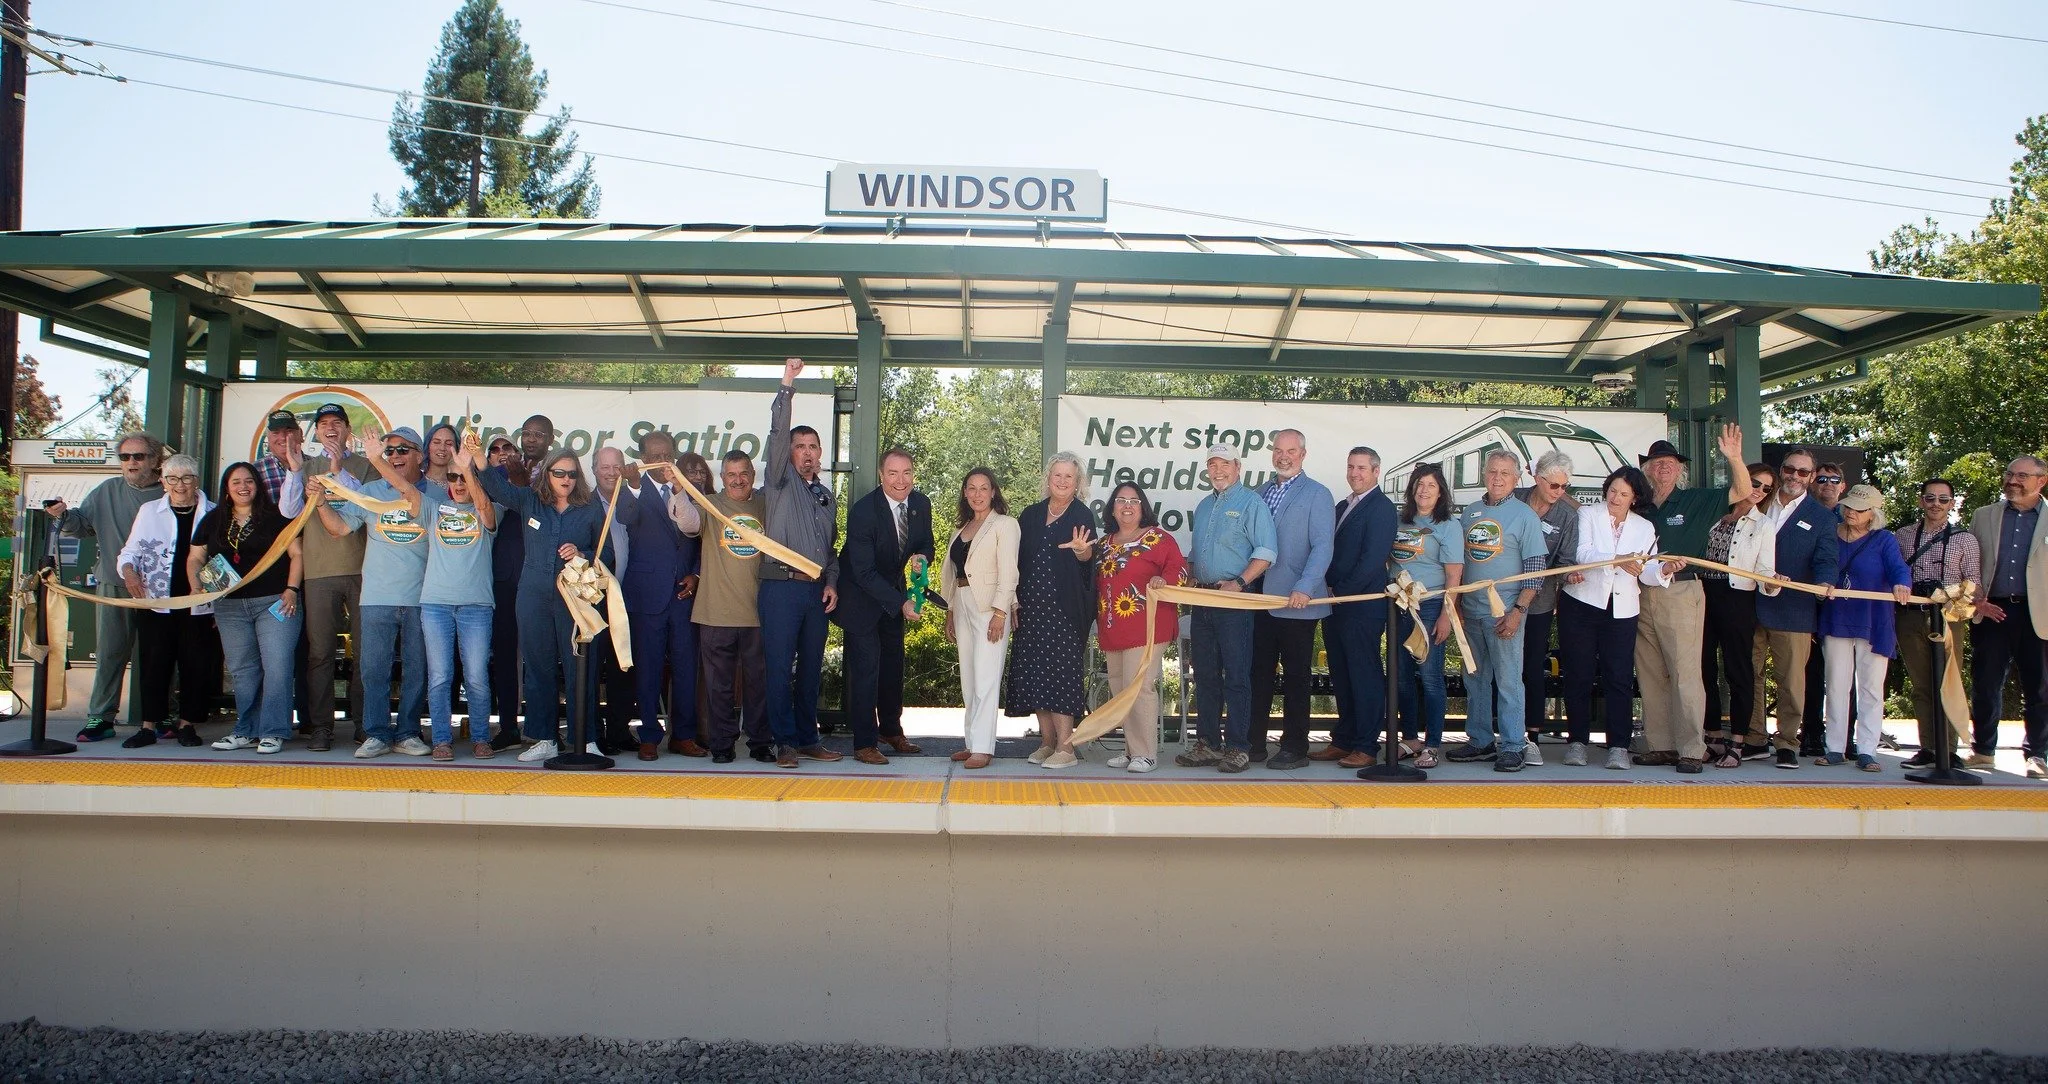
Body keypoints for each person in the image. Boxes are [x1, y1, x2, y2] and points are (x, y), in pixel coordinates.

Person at [310, 426, 439, 760]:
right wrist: (322, 503)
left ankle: (408, 732)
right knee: (373, 670)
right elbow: (339, 528)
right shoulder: (369, 491)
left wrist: (374, 459)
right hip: (377, 597)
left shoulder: (437, 494)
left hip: (423, 598)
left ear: (419, 456)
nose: (394, 456)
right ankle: (377, 733)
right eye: (389, 451)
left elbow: (411, 499)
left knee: (417, 670)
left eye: (402, 450)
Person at [475, 443, 608, 763]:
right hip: (532, 595)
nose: (566, 479)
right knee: (538, 668)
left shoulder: (590, 509)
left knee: (580, 667)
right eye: (559, 472)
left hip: (574, 599)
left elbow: (606, 556)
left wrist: (582, 555)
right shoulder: (530, 500)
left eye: (572, 474)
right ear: (547, 473)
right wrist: (479, 460)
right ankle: (545, 737)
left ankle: (585, 738)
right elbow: (497, 487)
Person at [1636, 426, 1753, 774]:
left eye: (1670, 462)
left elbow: (1744, 491)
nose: (1663, 467)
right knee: (1650, 673)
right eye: (1656, 463)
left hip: (1682, 590)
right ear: (1646, 469)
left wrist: (1734, 457)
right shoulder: (1637, 505)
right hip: (1639, 592)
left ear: (1680, 469)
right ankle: (1661, 746)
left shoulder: (1696, 500)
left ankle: (1691, 748)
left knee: (1686, 673)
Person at [760, 359, 852, 765]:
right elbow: (778, 435)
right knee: (779, 667)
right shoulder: (780, 483)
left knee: (811, 669)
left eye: (813, 447)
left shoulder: (827, 497)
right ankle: (783, 742)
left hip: (814, 592)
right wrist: (787, 384)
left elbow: (830, 551)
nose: (807, 453)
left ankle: (807, 737)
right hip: (780, 587)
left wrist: (831, 582)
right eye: (800, 447)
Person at [382, 444, 499, 760]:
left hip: (476, 607)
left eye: (464, 479)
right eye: (453, 478)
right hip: (435, 607)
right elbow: (403, 486)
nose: (459, 484)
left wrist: (468, 471)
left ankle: (479, 738)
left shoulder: (488, 508)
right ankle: (442, 741)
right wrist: (375, 459)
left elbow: (485, 508)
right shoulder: (433, 508)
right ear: (445, 481)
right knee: (440, 677)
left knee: (475, 676)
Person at [50, 431, 165, 743]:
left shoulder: (170, 491)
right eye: (125, 456)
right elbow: (82, 526)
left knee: (161, 654)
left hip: (161, 589)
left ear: (155, 461)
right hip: (114, 585)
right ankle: (101, 717)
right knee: (110, 652)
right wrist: (63, 515)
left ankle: (161, 715)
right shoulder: (106, 490)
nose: (130, 462)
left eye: (138, 456)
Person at [190, 462, 304, 755]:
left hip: (276, 603)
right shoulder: (212, 520)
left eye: (249, 481)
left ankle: (273, 732)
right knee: (243, 670)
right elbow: (195, 558)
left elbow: (297, 554)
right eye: (236, 482)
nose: (244, 487)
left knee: (277, 668)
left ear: (258, 485)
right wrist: (195, 586)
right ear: (227, 489)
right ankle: (245, 730)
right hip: (229, 607)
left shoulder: (278, 517)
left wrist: (291, 590)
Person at [1175, 444, 1274, 774]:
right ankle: (1207, 744)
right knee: (1203, 675)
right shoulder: (1204, 506)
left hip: (1233, 601)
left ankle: (1237, 748)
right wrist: (1188, 576)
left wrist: (1241, 583)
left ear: (1238, 467)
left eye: (1224, 464)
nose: (1218, 470)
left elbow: (1266, 552)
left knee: (1236, 675)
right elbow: (1195, 553)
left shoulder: (1252, 502)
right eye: (1212, 465)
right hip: (1202, 601)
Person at [1445, 450, 1546, 772]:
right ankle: (1480, 741)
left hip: (1505, 612)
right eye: (1492, 472)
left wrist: (1518, 610)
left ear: (1517, 479)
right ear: (1484, 475)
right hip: (1471, 610)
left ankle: (1514, 745)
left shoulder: (1525, 515)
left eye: (1505, 473)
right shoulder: (1470, 513)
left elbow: (1535, 570)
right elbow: (1458, 564)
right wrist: (1457, 606)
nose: (1497, 478)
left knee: (1508, 681)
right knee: (1475, 678)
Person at [1559, 467, 1664, 770]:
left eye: (1624, 494)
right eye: (1613, 490)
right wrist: (1617, 561)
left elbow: (1648, 571)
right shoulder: (1589, 514)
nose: (1616, 497)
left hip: (1622, 610)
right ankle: (1577, 742)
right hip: (1581, 603)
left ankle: (1618, 745)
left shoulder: (1645, 527)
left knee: (1618, 677)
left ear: (1635, 498)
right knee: (1578, 673)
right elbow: (1583, 553)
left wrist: (1664, 571)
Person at [837, 447, 936, 766]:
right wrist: (902, 602)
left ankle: (891, 731)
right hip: (860, 599)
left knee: (894, 666)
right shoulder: (863, 511)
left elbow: (924, 543)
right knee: (867, 670)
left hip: (893, 596)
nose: (900, 480)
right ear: (881, 476)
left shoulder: (921, 504)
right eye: (893, 473)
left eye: (906, 472)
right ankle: (864, 743)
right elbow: (863, 572)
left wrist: (922, 558)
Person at [114, 454, 220, 749]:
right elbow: (129, 552)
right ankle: (149, 726)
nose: (180, 485)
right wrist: (129, 573)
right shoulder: (149, 511)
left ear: (196, 480)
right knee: (153, 664)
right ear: (163, 482)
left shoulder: (214, 513)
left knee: (195, 665)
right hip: (156, 601)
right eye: (172, 479)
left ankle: (188, 724)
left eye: (186, 478)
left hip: (199, 603)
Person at [1007, 451, 1102, 768]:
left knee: (1061, 676)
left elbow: (1089, 562)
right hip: (1031, 609)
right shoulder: (1030, 515)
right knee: (1036, 674)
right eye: (1057, 475)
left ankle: (1067, 747)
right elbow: (1015, 561)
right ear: (1048, 479)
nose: (1062, 481)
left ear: (1078, 484)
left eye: (1069, 477)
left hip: (1064, 611)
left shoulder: (1082, 516)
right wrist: (1012, 599)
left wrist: (1081, 553)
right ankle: (1047, 743)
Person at [1247, 429, 1335, 770]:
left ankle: (1295, 748)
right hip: (1259, 600)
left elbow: (1323, 546)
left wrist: (1305, 586)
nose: (1284, 456)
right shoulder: (1260, 493)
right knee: (1258, 673)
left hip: (1297, 600)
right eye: (1279, 450)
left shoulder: (1318, 494)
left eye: (1291, 450)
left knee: (1297, 676)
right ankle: (1253, 743)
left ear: (1303, 453)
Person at [613, 430, 702, 761]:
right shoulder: (632, 488)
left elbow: (698, 535)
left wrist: (696, 574)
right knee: (648, 669)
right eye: (652, 456)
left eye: (665, 454)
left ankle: (684, 735)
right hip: (646, 595)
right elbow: (625, 517)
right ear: (642, 457)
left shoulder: (687, 486)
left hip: (683, 594)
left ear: (674, 456)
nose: (658, 461)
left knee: (685, 668)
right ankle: (649, 735)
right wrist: (633, 485)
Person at [295, 403, 377, 751]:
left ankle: (363, 724)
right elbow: (290, 513)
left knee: (365, 653)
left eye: (338, 423)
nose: (330, 428)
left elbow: (370, 509)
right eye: (324, 423)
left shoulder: (368, 467)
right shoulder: (303, 469)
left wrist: (338, 470)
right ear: (316, 432)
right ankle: (321, 728)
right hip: (318, 571)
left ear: (348, 431)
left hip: (363, 571)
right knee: (320, 654)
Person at [1752, 447, 1838, 769]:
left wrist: (1826, 581)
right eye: (1790, 470)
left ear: (1811, 477)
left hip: (1795, 607)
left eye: (1803, 472)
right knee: (1751, 674)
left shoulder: (1822, 517)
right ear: (1781, 470)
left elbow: (1827, 559)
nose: (1795, 477)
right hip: (1752, 603)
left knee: (1790, 681)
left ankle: (1787, 741)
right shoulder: (1759, 504)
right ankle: (1754, 737)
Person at [690, 451, 778, 764]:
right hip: (715, 612)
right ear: (723, 477)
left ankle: (760, 743)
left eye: (743, 473)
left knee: (759, 685)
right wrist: (678, 489)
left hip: (759, 613)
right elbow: (688, 524)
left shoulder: (766, 504)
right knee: (719, 686)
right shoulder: (710, 503)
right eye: (731, 474)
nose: (738, 480)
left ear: (753, 475)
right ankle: (722, 744)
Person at [1091, 482, 1185, 774]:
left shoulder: (1159, 538)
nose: (1127, 506)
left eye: (1133, 501)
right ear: (1113, 508)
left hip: (1148, 626)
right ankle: (1131, 750)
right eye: (1121, 501)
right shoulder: (1105, 543)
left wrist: (1163, 581)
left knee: (1139, 688)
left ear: (1142, 507)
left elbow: (1179, 570)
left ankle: (1146, 754)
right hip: (1113, 626)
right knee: (1120, 690)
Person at [1817, 485, 1912, 771]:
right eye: (1848, 507)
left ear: (1874, 514)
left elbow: (1898, 568)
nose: (1852, 513)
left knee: (1870, 687)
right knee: (1835, 684)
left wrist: (1901, 584)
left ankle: (1867, 749)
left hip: (1873, 618)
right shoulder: (1830, 534)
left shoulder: (1884, 539)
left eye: (1860, 509)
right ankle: (1835, 747)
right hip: (1838, 615)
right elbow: (1820, 565)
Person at [1969, 456, 2048, 778]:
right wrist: (1976, 601)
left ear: (2041, 481)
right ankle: (1984, 751)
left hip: (2038, 613)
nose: (2013, 480)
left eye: (2022, 476)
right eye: (2010, 473)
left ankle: (2038, 755)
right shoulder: (1983, 515)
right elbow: (1971, 564)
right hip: (1992, 610)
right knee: (1985, 683)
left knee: (2040, 688)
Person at [1318, 446, 1397, 770]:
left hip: (1361, 605)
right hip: (1335, 604)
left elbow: (1372, 561)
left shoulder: (1382, 508)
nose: (1355, 473)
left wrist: (1341, 592)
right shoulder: (1341, 506)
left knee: (1364, 676)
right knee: (1342, 674)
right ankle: (1344, 740)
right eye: (1351, 467)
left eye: (1362, 468)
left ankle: (1366, 746)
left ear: (1376, 471)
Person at [1894, 478, 1979, 768]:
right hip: (1909, 615)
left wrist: (1944, 594)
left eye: (1943, 500)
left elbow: (1974, 584)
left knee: (1949, 682)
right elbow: (1893, 572)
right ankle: (1928, 747)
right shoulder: (1903, 535)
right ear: (1921, 501)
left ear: (1952, 504)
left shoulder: (1964, 538)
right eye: (1930, 498)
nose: (1936, 505)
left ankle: (1949, 750)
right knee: (1920, 683)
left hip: (1948, 615)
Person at [1701, 464, 1780, 768]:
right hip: (1703, 594)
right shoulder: (1714, 512)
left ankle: (1737, 742)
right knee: (1703, 668)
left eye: (1765, 488)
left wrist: (1772, 583)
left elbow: (1764, 572)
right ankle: (1713, 737)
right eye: (1755, 483)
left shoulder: (1763, 525)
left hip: (1738, 599)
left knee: (1738, 672)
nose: (1758, 490)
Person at [941, 468, 1020, 769]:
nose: (977, 494)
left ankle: (984, 748)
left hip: (989, 608)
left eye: (983, 488)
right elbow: (953, 575)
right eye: (971, 488)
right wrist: (950, 611)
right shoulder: (960, 529)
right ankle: (972, 742)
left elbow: (1009, 572)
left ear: (993, 492)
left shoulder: (1005, 524)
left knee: (986, 678)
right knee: (969, 678)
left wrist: (1001, 612)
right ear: (965, 493)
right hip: (961, 603)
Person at [1388, 463, 1462, 768]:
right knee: (1402, 678)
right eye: (1419, 484)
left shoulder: (1448, 526)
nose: (1424, 490)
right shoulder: (1398, 522)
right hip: (1399, 606)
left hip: (1430, 606)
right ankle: (1410, 739)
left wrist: (1447, 615)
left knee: (1430, 677)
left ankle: (1432, 744)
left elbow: (1454, 576)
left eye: (1431, 485)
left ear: (1441, 491)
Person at [1515, 450, 1580, 766]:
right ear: (1536, 478)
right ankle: (1492, 736)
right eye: (1554, 486)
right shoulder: (1511, 500)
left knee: (1531, 667)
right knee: (1496, 667)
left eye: (1564, 486)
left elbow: (1566, 561)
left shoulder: (1567, 514)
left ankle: (1532, 736)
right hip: (1497, 598)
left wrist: (1571, 574)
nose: (1560, 492)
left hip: (1538, 602)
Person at [1799, 460, 1852, 756]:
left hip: (1844, 606)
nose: (1827, 485)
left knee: (1845, 675)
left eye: (1834, 480)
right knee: (1812, 672)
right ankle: (1812, 734)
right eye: (1821, 479)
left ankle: (1846, 737)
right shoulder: (1801, 514)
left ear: (1843, 486)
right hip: (1809, 602)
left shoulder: (1855, 518)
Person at [591, 446, 639, 754]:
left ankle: (620, 731)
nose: (611, 472)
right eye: (605, 467)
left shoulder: (632, 501)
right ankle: (593, 734)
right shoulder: (583, 503)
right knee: (592, 669)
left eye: (616, 466)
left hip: (629, 596)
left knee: (624, 668)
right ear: (594, 469)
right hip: (593, 599)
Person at [483, 432, 528, 752]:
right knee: (504, 657)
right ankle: (509, 726)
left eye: (507, 447)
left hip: (540, 580)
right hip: (502, 582)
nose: (501, 453)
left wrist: (516, 474)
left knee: (541, 657)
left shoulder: (535, 479)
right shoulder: (481, 483)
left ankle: (543, 727)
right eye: (494, 449)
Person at [255, 410, 305, 506]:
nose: (282, 437)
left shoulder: (318, 466)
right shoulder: (255, 471)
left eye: (289, 431)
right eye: (276, 432)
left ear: (300, 434)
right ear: (268, 438)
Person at [423, 423, 458, 487]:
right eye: (436, 442)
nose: (442, 448)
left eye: (448, 444)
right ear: (428, 445)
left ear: (456, 449)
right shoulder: (415, 481)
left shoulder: (460, 484)